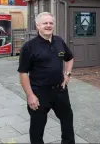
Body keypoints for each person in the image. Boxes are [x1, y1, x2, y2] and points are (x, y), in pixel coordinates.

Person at [17, 12, 75, 144]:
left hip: (60, 90)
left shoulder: (59, 41)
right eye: (45, 23)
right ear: (38, 26)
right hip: (39, 93)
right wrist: (30, 95)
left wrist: (67, 74)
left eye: (51, 23)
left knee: (67, 122)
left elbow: (69, 58)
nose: (48, 25)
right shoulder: (29, 47)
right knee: (37, 128)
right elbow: (23, 73)